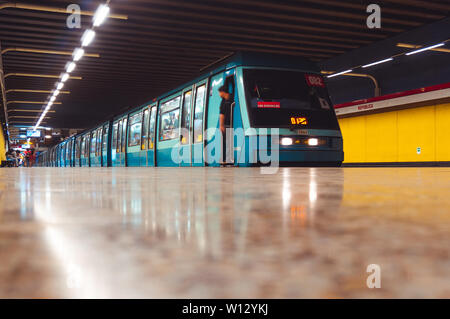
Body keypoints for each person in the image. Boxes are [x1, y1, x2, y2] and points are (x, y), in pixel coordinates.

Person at [218, 85, 234, 164]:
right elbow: (222, 114)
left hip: (230, 123)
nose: (219, 94)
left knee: (227, 142)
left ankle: (227, 159)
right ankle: (227, 159)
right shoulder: (226, 100)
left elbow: (221, 115)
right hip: (228, 124)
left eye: (219, 93)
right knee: (227, 141)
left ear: (222, 92)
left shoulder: (228, 99)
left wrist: (221, 125)